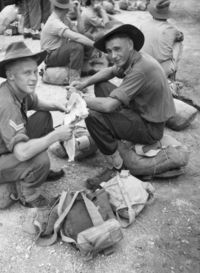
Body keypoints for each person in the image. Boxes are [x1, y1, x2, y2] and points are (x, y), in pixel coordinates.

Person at [70, 20, 175, 190]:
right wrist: (83, 84)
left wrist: (79, 100)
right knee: (101, 85)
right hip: (139, 111)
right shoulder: (135, 58)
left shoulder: (140, 69)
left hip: (150, 128)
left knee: (92, 115)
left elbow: (109, 106)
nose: (113, 55)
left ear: (130, 45)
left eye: (117, 49)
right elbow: (110, 71)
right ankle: (114, 132)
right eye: (110, 51)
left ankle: (116, 167)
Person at [0, 41, 74, 208]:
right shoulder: (6, 105)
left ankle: (30, 172)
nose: (34, 78)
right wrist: (56, 135)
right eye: (27, 73)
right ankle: (28, 195)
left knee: (43, 117)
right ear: (11, 75)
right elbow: (21, 153)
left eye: (35, 71)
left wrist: (58, 106)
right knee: (39, 159)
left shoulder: (17, 89)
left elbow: (38, 104)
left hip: (3, 148)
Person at [40, 0, 95, 83]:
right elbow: (76, 37)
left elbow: (80, 32)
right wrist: (96, 45)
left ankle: (84, 67)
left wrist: (78, 12)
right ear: (66, 8)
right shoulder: (54, 22)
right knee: (76, 46)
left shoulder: (64, 18)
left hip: (59, 51)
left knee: (87, 36)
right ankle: (74, 80)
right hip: (50, 56)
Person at [140, 0, 184, 79]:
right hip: (161, 69)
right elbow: (181, 37)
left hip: (143, 65)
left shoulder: (143, 25)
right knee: (178, 43)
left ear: (153, 13)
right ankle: (172, 77)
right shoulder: (171, 29)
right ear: (167, 15)